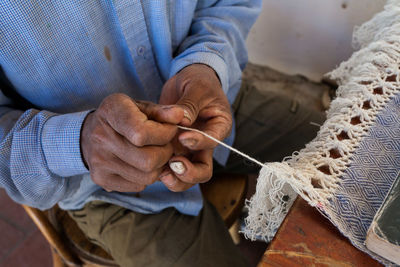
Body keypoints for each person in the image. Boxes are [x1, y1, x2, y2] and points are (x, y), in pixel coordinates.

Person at [0, 1, 326, 266]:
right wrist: (77, 143)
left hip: (216, 102)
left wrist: (205, 65)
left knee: (354, 159)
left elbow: (230, 4)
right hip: (101, 185)